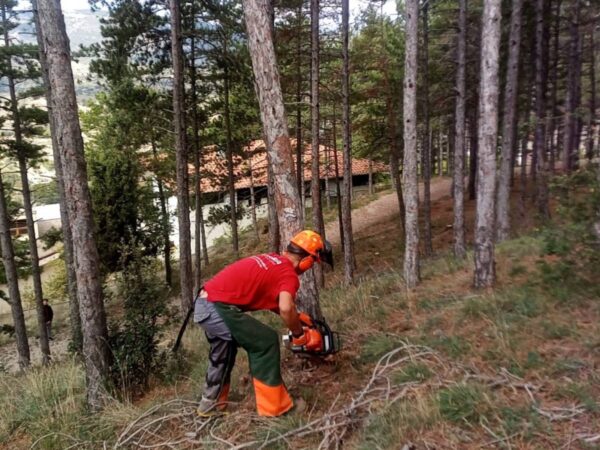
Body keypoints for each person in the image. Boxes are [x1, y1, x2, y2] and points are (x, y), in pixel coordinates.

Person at [194, 230, 333, 417]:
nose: (310, 267)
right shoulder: (288, 274)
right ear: (307, 260)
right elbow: (285, 308)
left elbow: (275, 302)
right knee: (265, 342)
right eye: (313, 263)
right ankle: (276, 409)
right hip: (216, 307)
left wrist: (298, 317)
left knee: (224, 350)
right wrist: (299, 334)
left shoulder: (273, 260)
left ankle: (210, 405)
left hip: (205, 302)